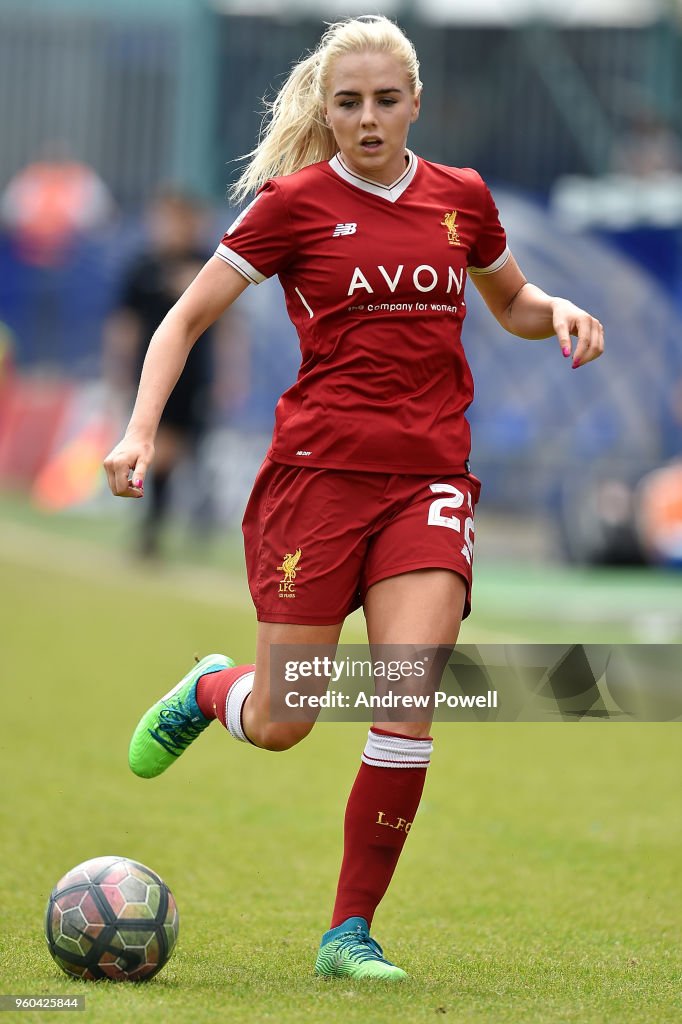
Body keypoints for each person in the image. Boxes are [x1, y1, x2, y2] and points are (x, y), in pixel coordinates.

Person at [104, 15, 604, 980]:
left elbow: (512, 303)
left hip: (429, 482)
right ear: (325, 111)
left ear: (416, 102)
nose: (368, 120)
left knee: (405, 696)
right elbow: (184, 319)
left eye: (385, 101)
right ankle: (216, 691)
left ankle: (349, 934)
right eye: (349, 104)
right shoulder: (293, 205)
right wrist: (138, 429)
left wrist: (561, 313)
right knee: (288, 720)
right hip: (317, 484)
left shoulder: (462, 200)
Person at [103, 188, 218, 558]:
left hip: (198, 372)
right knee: (162, 449)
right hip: (155, 375)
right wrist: (119, 368)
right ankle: (154, 526)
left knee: (193, 448)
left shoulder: (208, 264)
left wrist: (233, 371)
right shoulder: (142, 267)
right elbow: (126, 324)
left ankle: (189, 520)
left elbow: (230, 325)